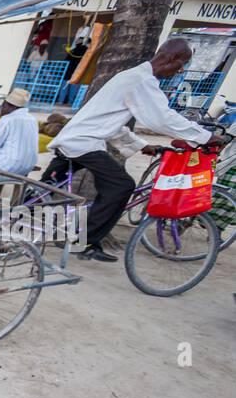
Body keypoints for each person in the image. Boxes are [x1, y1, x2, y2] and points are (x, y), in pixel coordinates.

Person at [45, 37, 215, 262]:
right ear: (171, 59)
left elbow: (111, 123)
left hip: (79, 140)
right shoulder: (142, 81)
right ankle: (84, 241)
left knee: (41, 190)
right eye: (182, 64)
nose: (180, 70)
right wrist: (205, 136)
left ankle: (2, 231)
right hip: (83, 143)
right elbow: (161, 118)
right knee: (122, 185)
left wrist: (143, 145)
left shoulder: (132, 76)